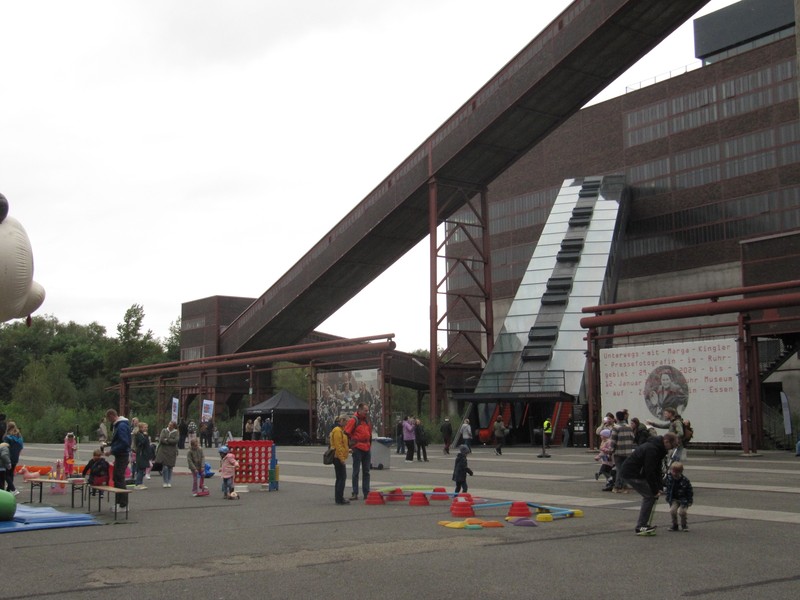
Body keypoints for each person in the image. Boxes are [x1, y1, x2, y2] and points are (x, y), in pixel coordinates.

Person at [620, 432, 679, 536]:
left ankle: (643, 524)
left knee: (650, 496)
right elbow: (649, 471)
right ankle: (640, 526)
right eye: (671, 446)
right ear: (666, 441)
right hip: (632, 473)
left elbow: (657, 469)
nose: (671, 449)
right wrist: (655, 489)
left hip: (636, 472)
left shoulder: (658, 448)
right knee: (649, 496)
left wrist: (659, 487)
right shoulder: (652, 449)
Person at [344, 402, 371, 501]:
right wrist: (349, 447)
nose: (367, 412)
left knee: (366, 471)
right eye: (365, 410)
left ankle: (366, 493)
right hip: (357, 448)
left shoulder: (367, 421)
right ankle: (355, 493)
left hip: (367, 447)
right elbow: (346, 433)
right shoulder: (353, 420)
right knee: (356, 471)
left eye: (367, 411)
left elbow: (369, 434)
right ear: (359, 410)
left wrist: (369, 445)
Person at [104, 409, 131, 508]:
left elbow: (124, 442)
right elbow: (120, 441)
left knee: (119, 478)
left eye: (108, 418)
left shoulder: (121, 426)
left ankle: (123, 504)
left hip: (122, 455)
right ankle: (119, 503)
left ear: (111, 416)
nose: (109, 421)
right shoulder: (121, 425)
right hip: (121, 454)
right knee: (117, 478)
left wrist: (112, 451)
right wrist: (110, 444)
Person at [609, 410, 634, 493]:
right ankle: (624, 487)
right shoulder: (629, 427)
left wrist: (611, 451)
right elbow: (632, 437)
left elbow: (613, 441)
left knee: (619, 469)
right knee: (625, 469)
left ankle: (618, 487)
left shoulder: (616, 428)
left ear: (617, 418)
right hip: (627, 452)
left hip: (618, 452)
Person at [664, 461, 693, 532]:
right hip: (674, 499)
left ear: (680, 472)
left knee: (682, 512)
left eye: (676, 472)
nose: (674, 473)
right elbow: (666, 487)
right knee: (672, 511)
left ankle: (684, 525)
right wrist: (667, 496)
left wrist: (689, 500)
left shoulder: (685, 480)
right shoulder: (669, 478)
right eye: (672, 471)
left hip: (684, 499)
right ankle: (675, 525)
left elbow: (689, 491)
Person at [329, 416, 350, 505]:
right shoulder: (337, 430)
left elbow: (342, 444)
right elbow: (338, 445)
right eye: (346, 422)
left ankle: (339, 497)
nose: (347, 424)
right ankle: (339, 498)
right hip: (338, 457)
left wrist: (348, 450)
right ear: (342, 421)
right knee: (342, 478)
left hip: (338, 456)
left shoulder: (340, 430)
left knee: (339, 478)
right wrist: (341, 458)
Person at [155, 420, 180, 488]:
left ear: (174, 426)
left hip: (172, 452)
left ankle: (169, 481)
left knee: (170, 467)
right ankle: (165, 481)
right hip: (163, 451)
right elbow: (162, 439)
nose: (169, 426)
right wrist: (169, 441)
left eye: (171, 425)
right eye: (169, 424)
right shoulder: (164, 430)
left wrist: (167, 440)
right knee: (165, 467)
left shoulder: (176, 432)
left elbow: (176, 441)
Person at [2, 422, 23, 495]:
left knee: (5, 474)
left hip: (9, 457)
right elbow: (21, 448)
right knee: (11, 474)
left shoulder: (8, 437)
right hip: (15, 458)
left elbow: (5, 447)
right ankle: (8, 491)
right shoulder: (19, 437)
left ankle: (13, 489)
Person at [133, 422, 151, 489]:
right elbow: (142, 442)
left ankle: (140, 482)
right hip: (141, 454)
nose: (146, 429)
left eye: (147, 427)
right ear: (140, 428)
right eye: (145, 427)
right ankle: (138, 484)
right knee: (141, 469)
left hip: (144, 454)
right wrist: (145, 436)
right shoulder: (139, 435)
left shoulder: (142, 434)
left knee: (142, 469)